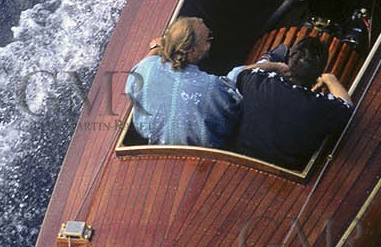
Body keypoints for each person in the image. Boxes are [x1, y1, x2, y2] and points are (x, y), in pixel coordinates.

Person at [230, 35, 352, 169]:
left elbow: (241, 73)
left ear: (289, 60)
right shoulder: (319, 106)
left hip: (240, 161)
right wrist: (331, 79)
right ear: (318, 73)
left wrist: (275, 65)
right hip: (286, 176)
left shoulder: (258, 82)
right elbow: (347, 107)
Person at [125, 17, 239, 148]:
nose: (210, 43)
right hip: (207, 155)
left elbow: (143, 66)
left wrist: (156, 48)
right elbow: (232, 114)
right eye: (208, 39)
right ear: (193, 51)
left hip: (158, 151)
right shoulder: (211, 86)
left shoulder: (145, 69)